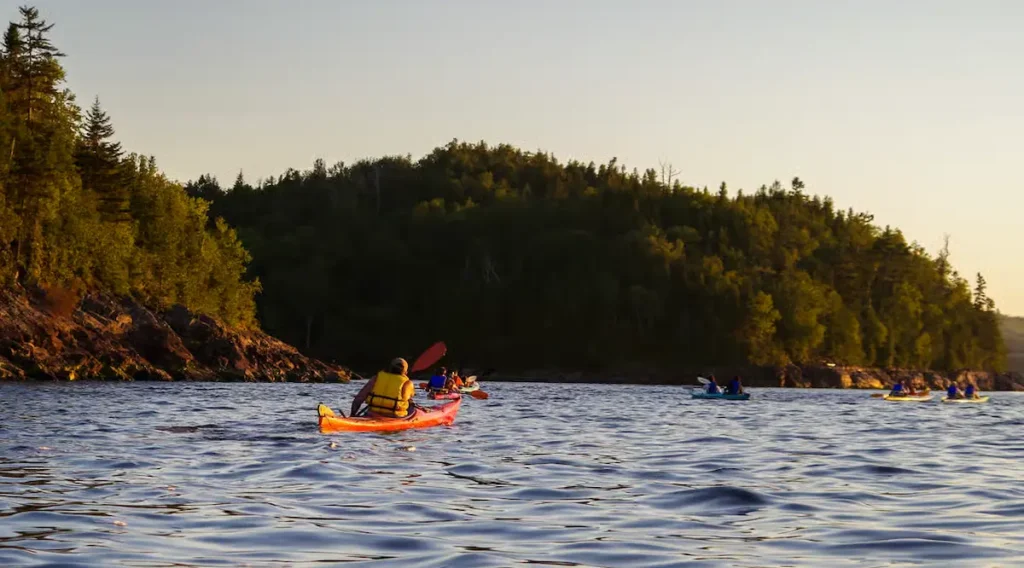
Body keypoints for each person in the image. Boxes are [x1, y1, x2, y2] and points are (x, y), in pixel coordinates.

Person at [351, 357, 416, 418]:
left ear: (391, 367)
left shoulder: (377, 377)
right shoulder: (407, 383)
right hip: (394, 416)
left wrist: (352, 414)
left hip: (372, 414)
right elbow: (408, 398)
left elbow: (359, 398)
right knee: (411, 405)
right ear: (405, 371)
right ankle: (409, 419)